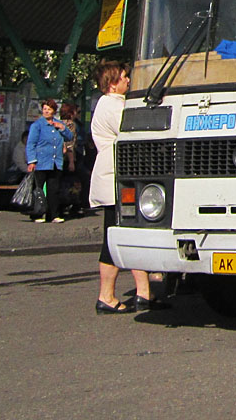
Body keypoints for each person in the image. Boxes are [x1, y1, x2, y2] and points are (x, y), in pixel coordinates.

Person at [91, 61, 166, 314]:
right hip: (115, 177)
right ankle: (106, 296)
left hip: (122, 176)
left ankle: (144, 293)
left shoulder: (111, 104)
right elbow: (136, 131)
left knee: (133, 233)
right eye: (124, 77)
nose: (129, 81)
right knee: (113, 238)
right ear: (112, 83)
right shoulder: (112, 106)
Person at [26, 99, 73, 223]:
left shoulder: (58, 124)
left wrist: (62, 128)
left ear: (54, 111)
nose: (46, 111)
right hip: (41, 161)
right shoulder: (37, 125)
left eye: (49, 109)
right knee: (39, 189)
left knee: (54, 189)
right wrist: (31, 161)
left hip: (55, 162)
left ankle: (53, 215)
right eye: (45, 109)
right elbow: (31, 144)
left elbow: (70, 137)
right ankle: (37, 214)